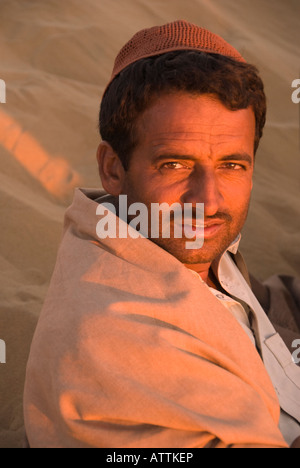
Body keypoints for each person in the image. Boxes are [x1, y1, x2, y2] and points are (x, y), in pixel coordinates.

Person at [23, 20, 300, 448]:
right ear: (113, 168)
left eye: (232, 165)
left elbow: (250, 309)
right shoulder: (119, 345)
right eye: (175, 164)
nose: (208, 200)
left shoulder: (163, 237)